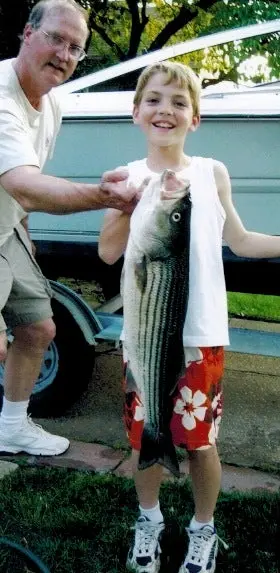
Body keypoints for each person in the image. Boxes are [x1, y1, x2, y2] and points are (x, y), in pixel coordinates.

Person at [98, 61, 280, 573]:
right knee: (146, 437)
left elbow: (242, 240)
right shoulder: (128, 177)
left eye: (180, 102)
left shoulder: (210, 172)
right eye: (155, 100)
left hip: (201, 335)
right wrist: (125, 204)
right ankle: (149, 519)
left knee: (202, 442)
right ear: (136, 111)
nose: (167, 110)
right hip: (144, 335)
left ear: (196, 118)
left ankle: (203, 526)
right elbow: (109, 253)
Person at [0, 0, 140, 457]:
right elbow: (26, 186)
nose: (63, 54)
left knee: (39, 328)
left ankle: (13, 427)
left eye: (75, 48)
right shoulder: (2, 98)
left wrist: (24, 235)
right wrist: (105, 196)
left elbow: (25, 187)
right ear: (26, 33)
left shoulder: (52, 103)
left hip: (6, 227)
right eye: (55, 38)